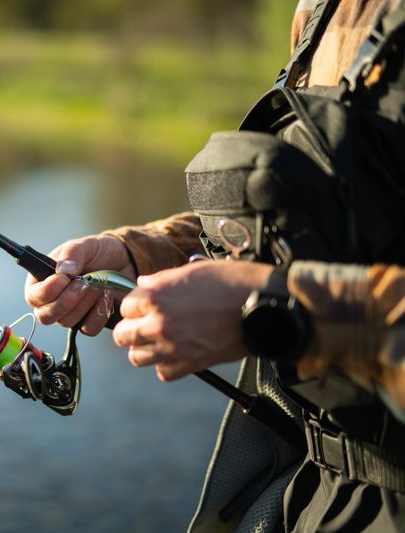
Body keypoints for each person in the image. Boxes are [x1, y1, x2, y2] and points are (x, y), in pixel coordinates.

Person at [24, 0, 405, 531]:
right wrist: (139, 254)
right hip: (311, 488)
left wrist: (276, 311)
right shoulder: (320, 9)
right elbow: (308, 211)